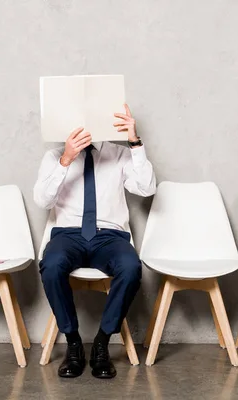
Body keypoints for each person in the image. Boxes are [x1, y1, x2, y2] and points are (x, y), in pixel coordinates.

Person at [33, 104, 156, 379]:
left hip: (110, 236)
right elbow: (42, 201)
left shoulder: (121, 154)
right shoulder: (54, 156)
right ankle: (74, 343)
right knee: (51, 265)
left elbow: (147, 188)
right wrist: (66, 159)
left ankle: (101, 343)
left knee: (130, 266)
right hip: (68, 235)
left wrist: (135, 142)